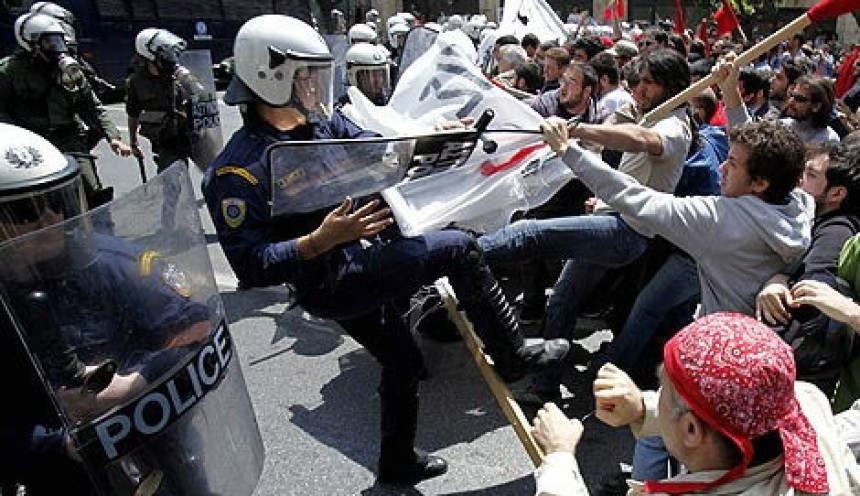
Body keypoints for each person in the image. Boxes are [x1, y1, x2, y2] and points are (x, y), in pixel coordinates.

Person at [201, 15, 569, 485]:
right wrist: (320, 240)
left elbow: (376, 149)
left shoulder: (322, 124)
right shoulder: (239, 173)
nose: (318, 87)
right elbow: (250, 267)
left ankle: (396, 464)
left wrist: (438, 134)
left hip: (363, 256)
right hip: (333, 281)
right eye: (307, 77)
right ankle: (514, 355)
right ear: (271, 78)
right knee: (458, 249)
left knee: (404, 362)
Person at [0, 123, 212, 494]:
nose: (50, 220)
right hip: (54, 471)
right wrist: (56, 444)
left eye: (56, 202)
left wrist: (134, 382)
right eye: (24, 212)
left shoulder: (114, 263)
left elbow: (197, 333)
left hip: (149, 446)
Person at [479, 50, 694, 399]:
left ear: (671, 86)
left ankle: (461, 255)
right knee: (562, 299)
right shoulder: (653, 115)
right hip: (612, 224)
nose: (640, 89)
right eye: (638, 82)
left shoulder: (672, 127)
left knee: (529, 234)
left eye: (650, 83)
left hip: (623, 231)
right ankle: (545, 384)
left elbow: (642, 140)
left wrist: (575, 131)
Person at [531, 312, 860, 494]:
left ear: (691, 428)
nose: (658, 397)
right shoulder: (802, 403)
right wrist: (643, 409)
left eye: (664, 391)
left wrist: (559, 457)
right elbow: (727, 414)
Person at [0, 13, 131, 209]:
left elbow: (91, 106)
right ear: (30, 42)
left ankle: (101, 232)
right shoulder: (8, 71)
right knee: (30, 197)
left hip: (68, 137)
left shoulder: (69, 70)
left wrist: (113, 137)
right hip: (31, 142)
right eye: (48, 42)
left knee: (91, 190)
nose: (56, 47)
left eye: (58, 40)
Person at [126, 28, 192, 172]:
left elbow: (202, 94)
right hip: (166, 141)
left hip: (191, 133)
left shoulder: (179, 74)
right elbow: (133, 113)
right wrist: (133, 142)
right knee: (173, 180)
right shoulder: (137, 82)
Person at [782, 75, 840, 144]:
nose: (790, 102)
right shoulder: (781, 126)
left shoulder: (829, 140)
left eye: (799, 99)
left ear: (816, 106)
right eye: (792, 95)